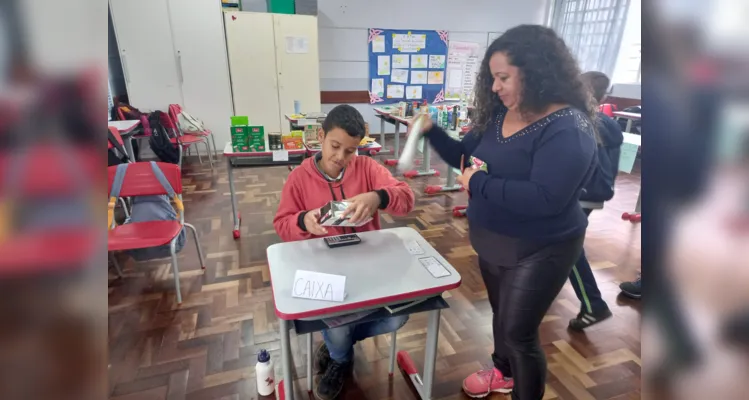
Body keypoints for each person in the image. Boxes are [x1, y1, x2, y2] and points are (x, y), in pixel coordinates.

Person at [413, 25, 598, 400]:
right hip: (493, 240)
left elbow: (546, 198)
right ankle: (503, 372)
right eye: (492, 78)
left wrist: (477, 184)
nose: (495, 87)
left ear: (536, 71)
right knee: (502, 317)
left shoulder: (568, 128)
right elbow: (464, 160)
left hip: (542, 247)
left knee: (520, 333)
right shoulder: (499, 113)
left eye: (503, 77)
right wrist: (430, 132)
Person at [273, 104, 415, 400]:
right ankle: (340, 357)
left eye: (350, 151)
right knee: (339, 325)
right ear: (321, 137)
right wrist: (303, 221)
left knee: (397, 317)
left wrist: (379, 196)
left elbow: (406, 198)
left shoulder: (367, 168)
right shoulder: (299, 178)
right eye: (335, 146)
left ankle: (338, 342)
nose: (341, 158)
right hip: (325, 268)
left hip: (368, 265)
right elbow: (282, 223)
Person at [567, 71, 624, 329]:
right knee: (561, 245)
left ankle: (593, 305)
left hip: (580, 195)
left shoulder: (581, 122)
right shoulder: (605, 122)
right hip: (592, 194)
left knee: (569, 250)